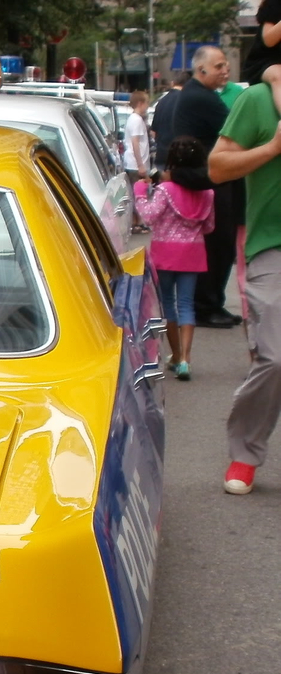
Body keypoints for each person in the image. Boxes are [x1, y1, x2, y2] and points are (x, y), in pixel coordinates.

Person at [209, 82, 281, 493]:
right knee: (274, 357)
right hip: (273, 246)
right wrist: (272, 148)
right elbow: (217, 167)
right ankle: (245, 453)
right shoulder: (258, 100)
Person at [135, 136, 215, 380]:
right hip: (193, 252)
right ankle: (186, 360)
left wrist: (140, 193)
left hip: (165, 253)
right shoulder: (208, 193)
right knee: (187, 304)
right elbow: (209, 226)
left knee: (168, 304)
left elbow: (149, 216)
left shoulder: (165, 190)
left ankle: (176, 355)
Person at [174, 46, 241, 328]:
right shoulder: (202, 98)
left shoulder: (196, 94)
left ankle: (211, 302)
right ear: (201, 70)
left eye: (226, 65)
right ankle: (207, 305)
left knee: (219, 245)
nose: (225, 71)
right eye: (219, 66)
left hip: (204, 175)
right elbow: (236, 129)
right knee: (219, 244)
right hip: (208, 177)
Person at [152, 77, 187, 166]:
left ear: (173, 83)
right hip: (179, 155)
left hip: (161, 154)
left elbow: (153, 132)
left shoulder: (161, 101)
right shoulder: (185, 100)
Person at [123, 89, 151, 183]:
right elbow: (135, 142)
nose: (147, 106)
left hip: (135, 165)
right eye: (146, 103)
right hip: (136, 166)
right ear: (140, 103)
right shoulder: (137, 120)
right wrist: (140, 165)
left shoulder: (134, 118)